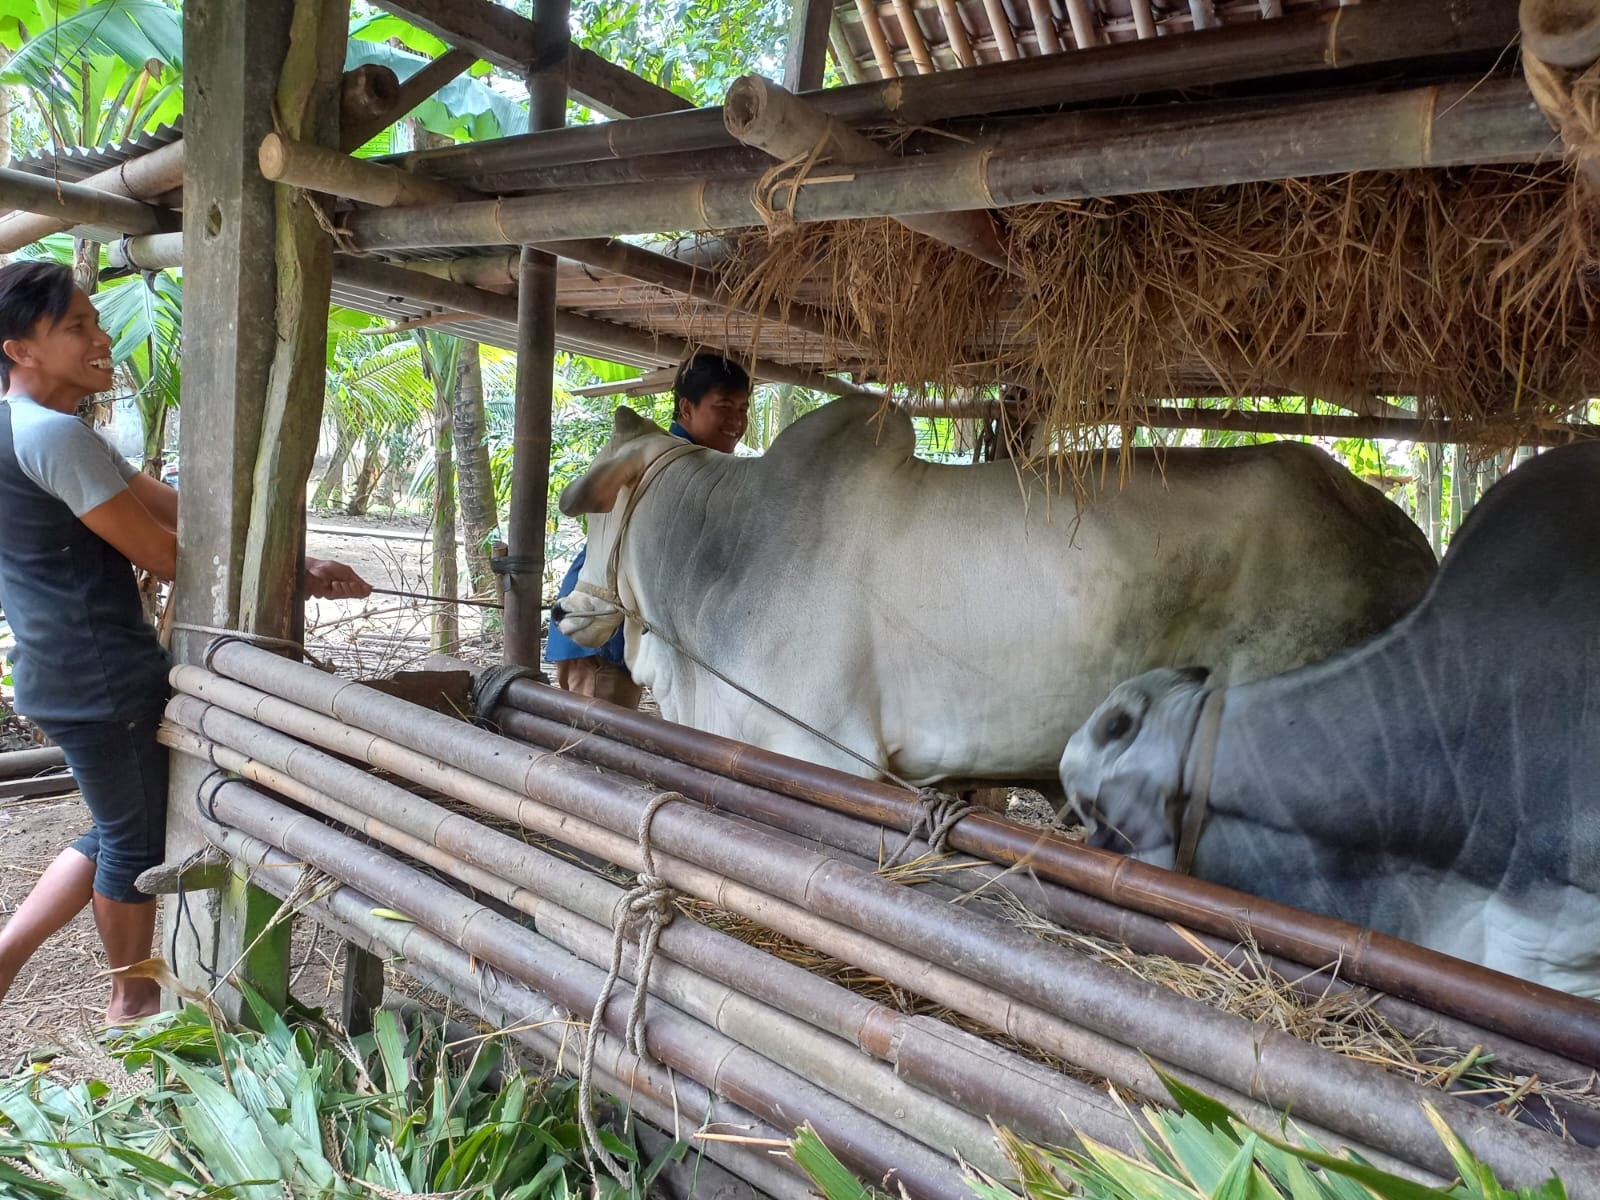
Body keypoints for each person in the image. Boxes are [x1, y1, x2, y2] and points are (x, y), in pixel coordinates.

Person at [0, 261, 372, 1025]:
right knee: (132, 846)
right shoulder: (56, 437)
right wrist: (291, 576)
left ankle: (7, 957)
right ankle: (131, 999)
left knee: (117, 824)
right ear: (20, 351)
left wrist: (297, 558)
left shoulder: (35, 430)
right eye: (75, 327)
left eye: (94, 319)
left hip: (58, 668)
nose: (101, 338)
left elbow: (175, 505)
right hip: (100, 675)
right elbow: (166, 553)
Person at [546, 352, 751, 709]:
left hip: (627, 634)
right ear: (686, 408)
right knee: (593, 741)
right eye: (724, 406)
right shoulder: (657, 460)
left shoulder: (696, 464)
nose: (737, 419)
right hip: (599, 635)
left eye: (743, 408)